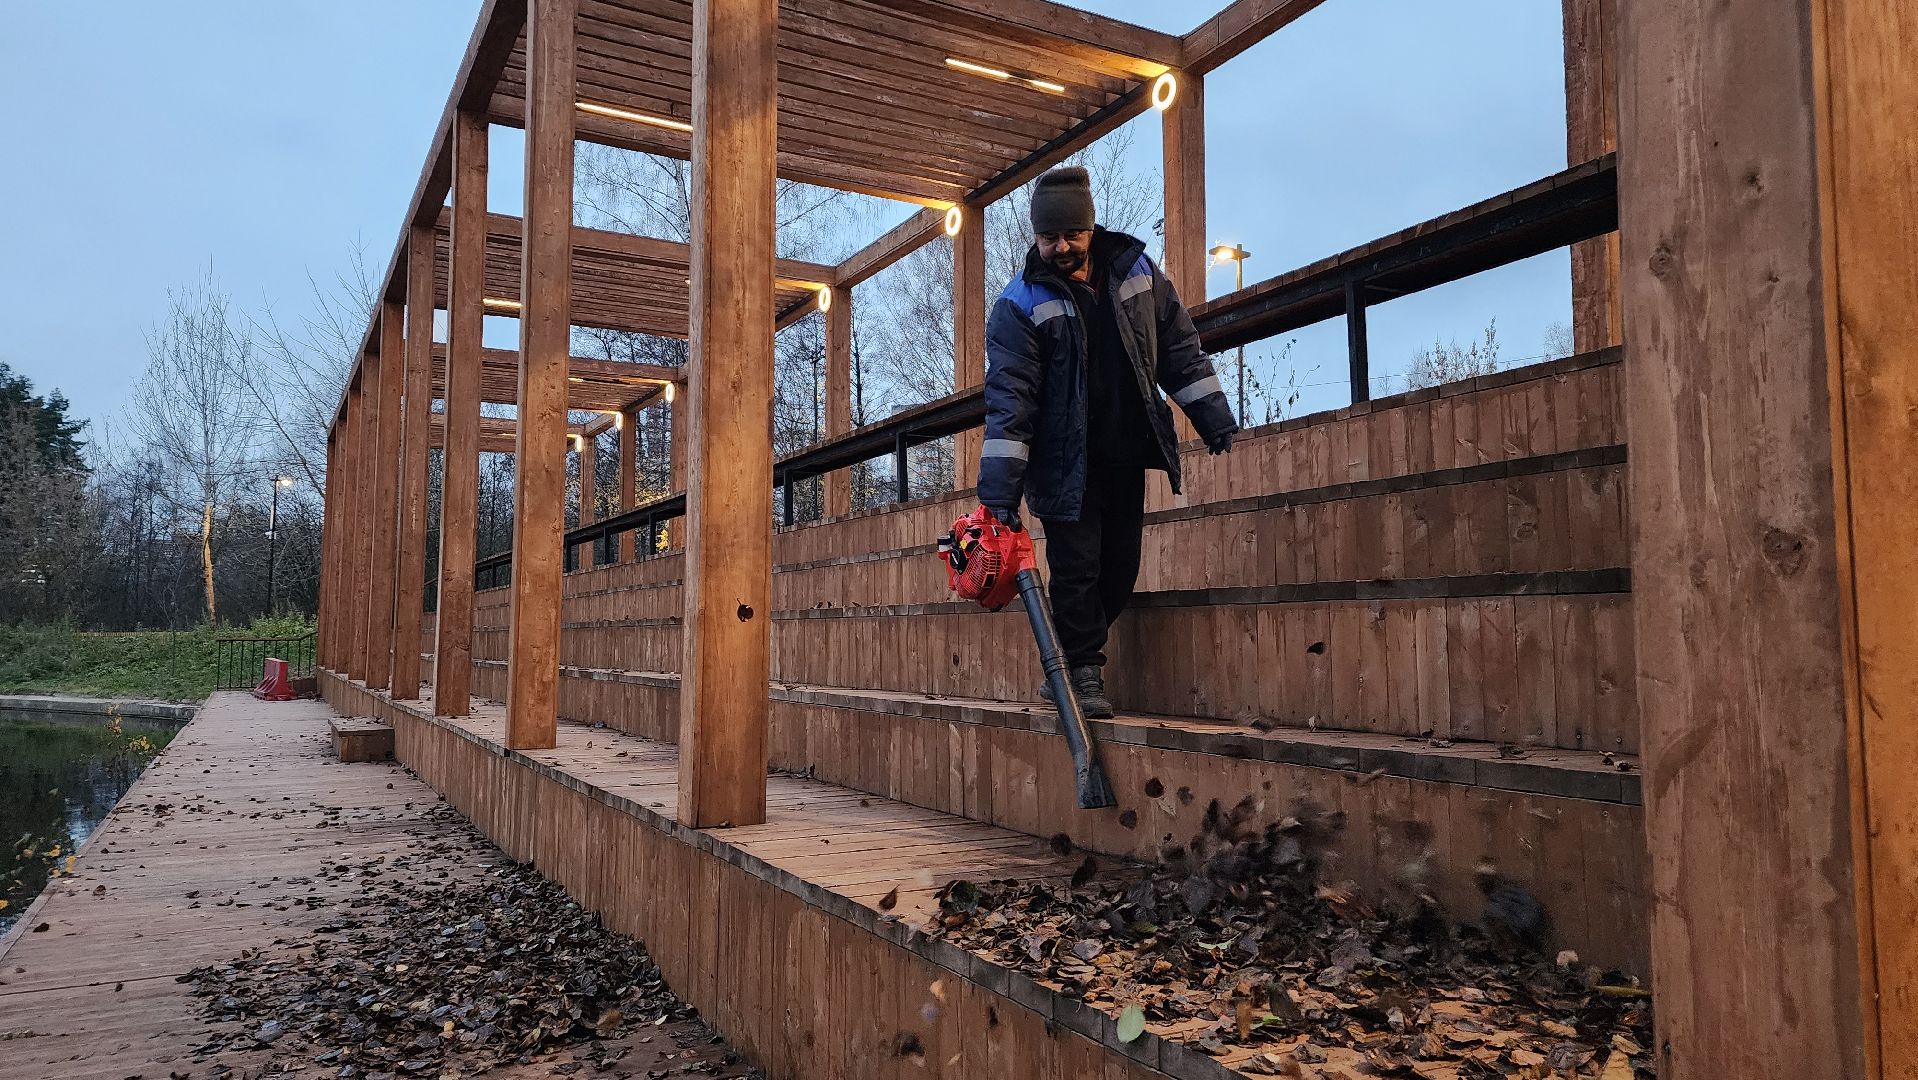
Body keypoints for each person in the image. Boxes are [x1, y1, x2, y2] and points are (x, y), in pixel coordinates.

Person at [978, 166, 1238, 718]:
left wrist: (1212, 415)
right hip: (1062, 462)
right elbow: (1010, 403)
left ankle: (1071, 665)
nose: (1060, 248)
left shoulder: (1138, 272)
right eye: (1048, 238)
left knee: (1121, 567)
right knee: (1078, 567)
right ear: (1035, 237)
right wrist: (999, 493)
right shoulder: (1018, 304)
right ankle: (1084, 675)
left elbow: (1178, 348)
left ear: (1090, 228)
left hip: (1124, 452)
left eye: (1071, 235)